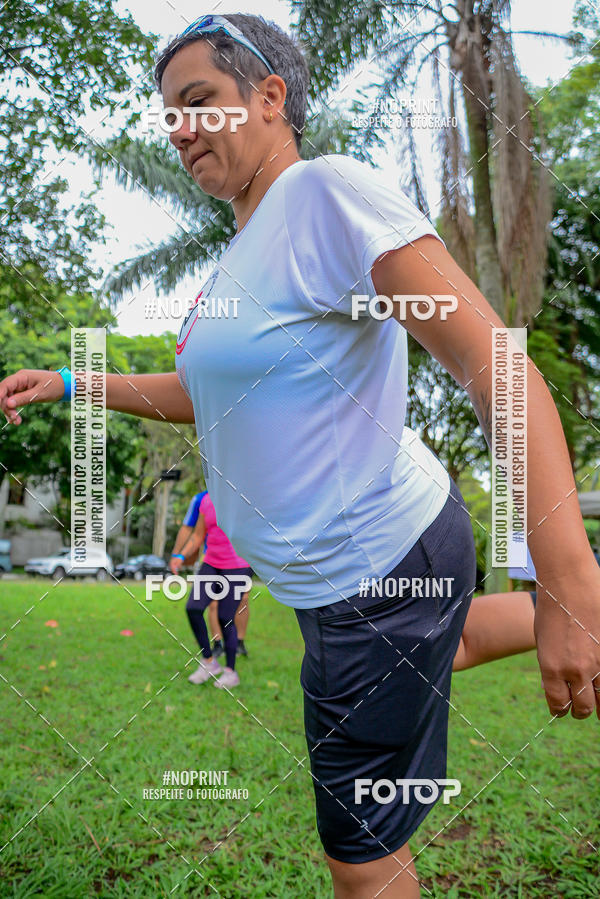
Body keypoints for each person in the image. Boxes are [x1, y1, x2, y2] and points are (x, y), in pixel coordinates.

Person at [2, 13, 599, 898]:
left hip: (374, 568)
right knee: (455, 634)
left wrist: (568, 583)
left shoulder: (323, 193)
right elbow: (204, 394)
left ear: (271, 97)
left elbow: (493, 363)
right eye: (168, 113)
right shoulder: (241, 258)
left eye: (199, 102)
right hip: (359, 571)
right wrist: (71, 381)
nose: (180, 129)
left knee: (360, 861)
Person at [171, 491, 252, 688]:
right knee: (193, 608)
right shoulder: (206, 500)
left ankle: (231, 672)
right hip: (211, 562)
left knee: (225, 617)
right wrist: (180, 556)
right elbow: (198, 535)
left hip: (238, 564)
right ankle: (209, 662)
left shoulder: (245, 495)